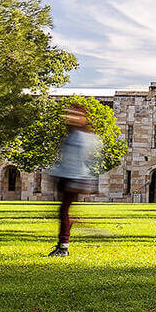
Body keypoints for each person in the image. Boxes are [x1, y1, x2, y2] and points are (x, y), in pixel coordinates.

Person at [45, 103, 102, 258]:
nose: (70, 117)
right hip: (66, 176)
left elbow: (85, 158)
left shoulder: (83, 136)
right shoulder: (71, 134)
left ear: (83, 118)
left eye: (75, 114)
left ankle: (63, 246)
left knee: (63, 211)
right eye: (69, 113)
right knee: (64, 211)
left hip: (74, 177)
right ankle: (64, 240)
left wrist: (81, 180)